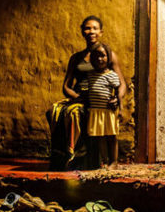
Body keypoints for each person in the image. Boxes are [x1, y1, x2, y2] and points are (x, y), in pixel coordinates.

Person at [47, 15, 127, 170]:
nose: (91, 31)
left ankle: (88, 160)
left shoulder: (108, 55)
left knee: (74, 114)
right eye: (87, 28)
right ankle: (65, 159)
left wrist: (118, 98)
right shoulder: (76, 58)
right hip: (80, 98)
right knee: (54, 111)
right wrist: (78, 98)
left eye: (95, 28)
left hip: (100, 99)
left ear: (101, 32)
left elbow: (121, 83)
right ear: (82, 32)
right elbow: (66, 86)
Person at [84, 43, 121, 167]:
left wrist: (116, 100)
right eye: (96, 56)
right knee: (100, 138)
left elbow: (117, 90)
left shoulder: (111, 75)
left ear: (109, 57)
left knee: (111, 137)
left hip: (108, 111)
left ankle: (114, 161)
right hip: (95, 111)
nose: (100, 59)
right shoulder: (90, 75)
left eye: (103, 56)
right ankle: (104, 161)